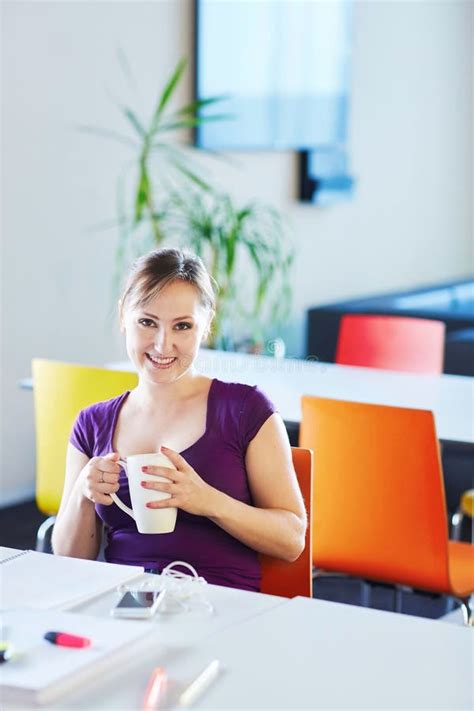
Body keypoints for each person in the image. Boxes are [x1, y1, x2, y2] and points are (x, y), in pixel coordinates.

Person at [52, 248, 307, 591]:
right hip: (128, 607)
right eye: (147, 322)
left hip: (222, 605)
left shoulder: (247, 409)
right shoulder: (92, 423)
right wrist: (84, 493)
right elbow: (69, 560)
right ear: (123, 317)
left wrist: (206, 500)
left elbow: (292, 541)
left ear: (205, 327)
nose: (162, 344)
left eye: (182, 326)